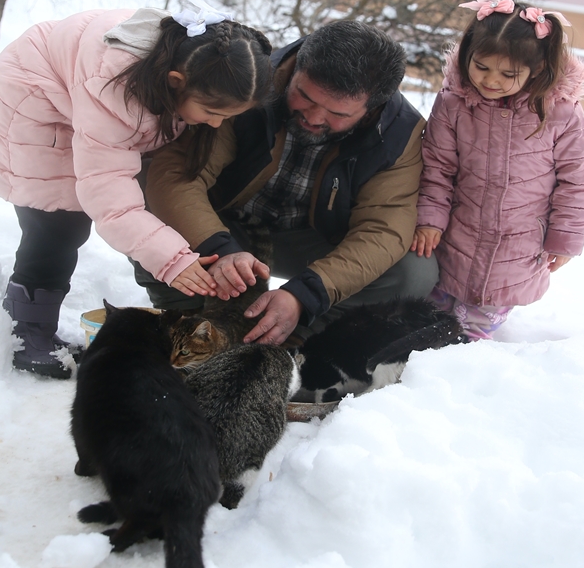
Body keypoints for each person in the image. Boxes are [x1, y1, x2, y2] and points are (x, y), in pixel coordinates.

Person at [0, 5, 274, 377]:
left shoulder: (195, 61)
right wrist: (170, 259)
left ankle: (34, 326)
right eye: (211, 112)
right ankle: (27, 333)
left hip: (76, 97)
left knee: (77, 217)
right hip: (32, 108)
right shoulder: (116, 90)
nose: (217, 124)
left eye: (228, 116)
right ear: (176, 81)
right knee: (56, 226)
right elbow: (109, 197)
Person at [136, 19, 437, 345]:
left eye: (337, 114)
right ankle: (185, 325)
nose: (314, 117)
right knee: (142, 200)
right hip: (225, 225)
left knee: (413, 272)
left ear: (372, 108)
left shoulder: (399, 135)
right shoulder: (246, 81)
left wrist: (305, 295)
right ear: (295, 69)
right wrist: (218, 248)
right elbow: (177, 176)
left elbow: (382, 231)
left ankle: (293, 342)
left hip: (314, 242)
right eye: (304, 96)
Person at [412, 0, 584, 339]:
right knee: (426, 318)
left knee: (470, 333)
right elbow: (437, 168)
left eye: (508, 73)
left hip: (517, 246)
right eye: (481, 67)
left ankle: (462, 361)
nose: (491, 81)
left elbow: (578, 183)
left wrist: (565, 238)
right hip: (456, 236)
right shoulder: (453, 103)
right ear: (467, 54)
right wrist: (430, 219)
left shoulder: (560, 113)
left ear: (536, 69)